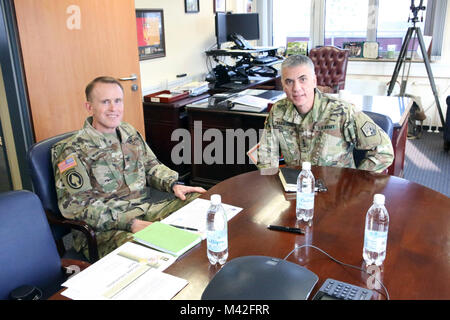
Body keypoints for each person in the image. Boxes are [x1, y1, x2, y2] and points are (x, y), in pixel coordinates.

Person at [52, 76, 206, 260]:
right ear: (89, 107)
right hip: (104, 229)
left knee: (200, 202)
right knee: (150, 250)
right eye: (105, 102)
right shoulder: (70, 151)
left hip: (144, 209)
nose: (113, 108)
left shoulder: (128, 132)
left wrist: (173, 184)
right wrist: (131, 223)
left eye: (117, 101)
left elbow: (150, 166)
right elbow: (79, 207)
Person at [257, 54, 394, 173]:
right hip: (296, 189)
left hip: (337, 191)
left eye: (303, 79)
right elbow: (266, 155)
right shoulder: (278, 112)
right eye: (289, 81)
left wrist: (355, 181)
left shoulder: (342, 112)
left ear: (314, 81)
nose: (296, 88)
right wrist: (272, 185)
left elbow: (384, 151)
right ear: (283, 85)